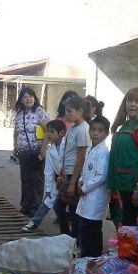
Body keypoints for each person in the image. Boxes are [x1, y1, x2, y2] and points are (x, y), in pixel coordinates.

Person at [106, 87, 138, 227]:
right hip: (117, 186)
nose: (132, 104)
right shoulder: (124, 125)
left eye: (137, 101)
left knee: (131, 227)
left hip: (131, 187)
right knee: (119, 223)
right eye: (130, 100)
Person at [54, 95, 90, 237]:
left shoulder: (83, 129)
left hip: (75, 174)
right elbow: (67, 151)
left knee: (71, 209)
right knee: (62, 206)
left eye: (70, 111)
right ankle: (68, 236)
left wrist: (72, 182)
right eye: (66, 111)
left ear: (80, 111)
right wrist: (62, 171)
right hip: (67, 172)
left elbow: (81, 158)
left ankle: (72, 239)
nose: (66, 114)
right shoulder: (74, 128)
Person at [76, 116, 111, 257]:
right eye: (93, 130)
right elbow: (86, 169)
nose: (95, 133)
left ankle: (93, 256)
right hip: (87, 195)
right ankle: (86, 253)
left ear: (106, 134)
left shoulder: (103, 152)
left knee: (92, 229)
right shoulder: (91, 149)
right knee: (84, 226)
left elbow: (100, 176)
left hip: (95, 197)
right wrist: (80, 180)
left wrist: (84, 188)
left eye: (100, 131)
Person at [22, 120, 65, 232]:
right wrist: (49, 189)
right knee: (48, 200)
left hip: (70, 178)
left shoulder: (68, 145)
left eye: (52, 132)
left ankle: (68, 230)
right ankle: (34, 222)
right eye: (47, 132)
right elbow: (49, 171)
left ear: (61, 133)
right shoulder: (50, 150)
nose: (48, 134)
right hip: (58, 180)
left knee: (67, 206)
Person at [12, 87, 49, 217]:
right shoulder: (19, 113)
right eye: (25, 97)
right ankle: (26, 205)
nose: (28, 99)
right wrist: (15, 146)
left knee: (36, 180)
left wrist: (43, 150)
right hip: (23, 153)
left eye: (30, 96)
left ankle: (35, 208)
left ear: (35, 98)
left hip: (36, 152)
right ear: (21, 100)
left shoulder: (39, 111)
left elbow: (48, 131)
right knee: (25, 179)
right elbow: (16, 131)